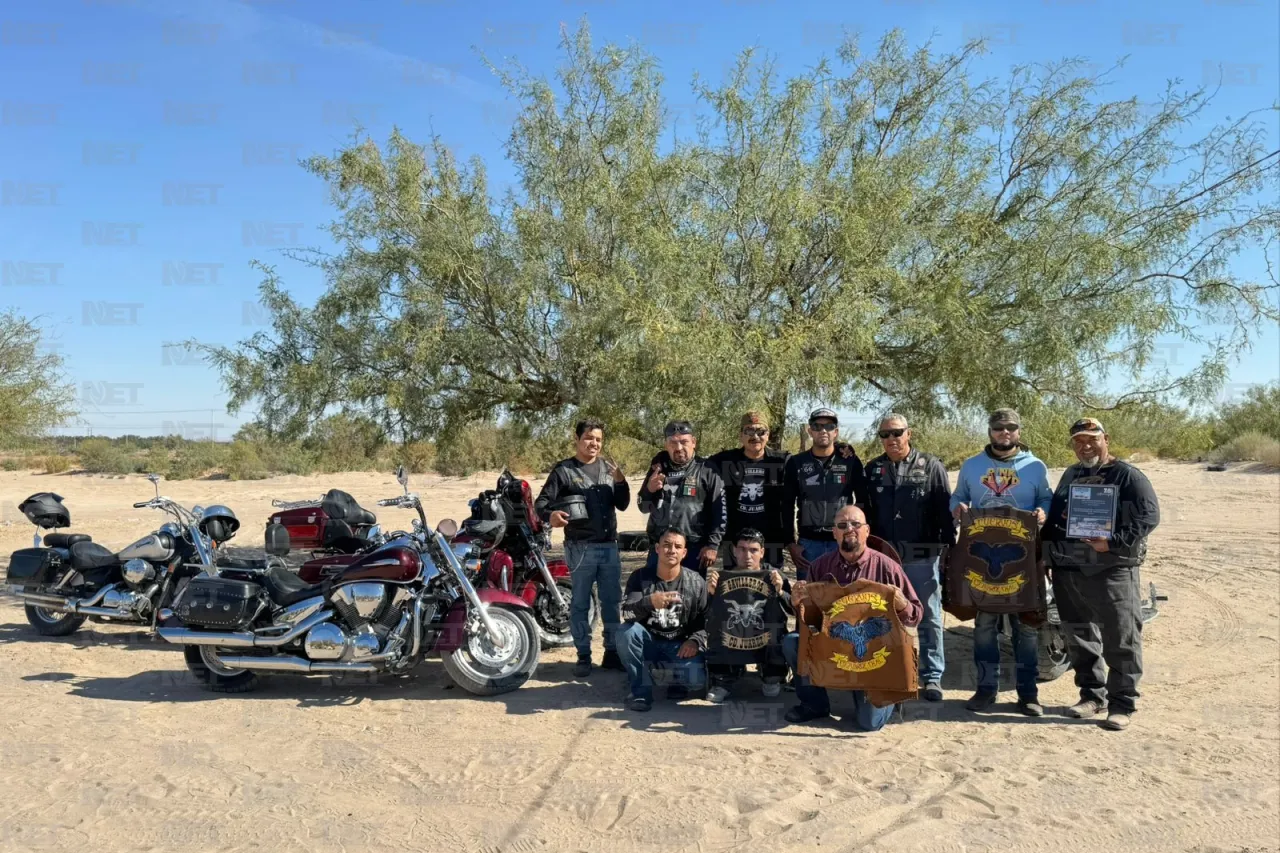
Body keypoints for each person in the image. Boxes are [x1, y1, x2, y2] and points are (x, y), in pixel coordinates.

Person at [1042, 417, 1160, 731]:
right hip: (1069, 569)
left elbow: (1149, 517)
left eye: (1091, 439)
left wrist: (1113, 542)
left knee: (1120, 638)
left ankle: (1122, 704)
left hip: (1112, 570)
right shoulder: (1071, 474)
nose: (1085, 446)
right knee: (1079, 636)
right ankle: (1092, 696)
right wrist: (1048, 556)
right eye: (1078, 441)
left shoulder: (1127, 475)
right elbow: (1055, 519)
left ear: (1105, 438)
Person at [781, 505, 923, 732]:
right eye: (842, 525)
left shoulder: (888, 567)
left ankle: (888, 695)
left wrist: (901, 602)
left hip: (874, 656)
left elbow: (916, 615)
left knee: (869, 724)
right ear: (834, 533)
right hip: (834, 647)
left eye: (856, 524)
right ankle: (814, 704)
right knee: (792, 642)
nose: (849, 529)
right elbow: (812, 623)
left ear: (867, 530)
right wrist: (799, 603)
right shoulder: (820, 566)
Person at [950, 408, 1053, 716]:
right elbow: (956, 498)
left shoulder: (1035, 466)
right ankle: (985, 690)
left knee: (1027, 627)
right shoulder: (972, 466)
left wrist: (1042, 512)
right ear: (990, 431)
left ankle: (1028, 694)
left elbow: (1046, 499)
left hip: (1023, 556)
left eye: (1010, 427)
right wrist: (959, 507)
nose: (1004, 432)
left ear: (1019, 431)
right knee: (984, 626)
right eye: (998, 427)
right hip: (982, 558)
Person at [864, 413, 955, 703]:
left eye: (897, 433)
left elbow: (945, 510)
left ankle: (931, 677)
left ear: (909, 433)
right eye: (885, 435)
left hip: (922, 555)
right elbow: (865, 513)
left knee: (927, 616)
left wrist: (946, 549)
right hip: (884, 558)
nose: (891, 439)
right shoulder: (873, 469)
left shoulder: (931, 465)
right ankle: (888, 669)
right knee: (883, 615)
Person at [534, 418, 631, 677]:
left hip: (609, 547)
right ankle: (584, 656)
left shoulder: (608, 469)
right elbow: (541, 504)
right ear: (577, 439)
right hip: (580, 549)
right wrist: (551, 516)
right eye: (589, 438)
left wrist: (621, 482)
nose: (594, 443)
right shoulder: (564, 470)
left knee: (612, 602)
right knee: (580, 604)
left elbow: (622, 504)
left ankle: (612, 653)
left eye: (598, 439)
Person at [616, 528, 709, 712]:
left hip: (679, 646)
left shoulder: (696, 582)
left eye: (677, 546)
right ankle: (641, 692)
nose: (671, 550)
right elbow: (626, 614)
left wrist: (695, 640)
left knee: (697, 681)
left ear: (684, 553)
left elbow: (708, 621)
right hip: (648, 643)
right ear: (657, 549)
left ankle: (674, 680)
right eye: (666, 545)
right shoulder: (640, 577)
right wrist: (648, 602)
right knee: (625, 633)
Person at [704, 528, 792, 703]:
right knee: (717, 627)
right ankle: (724, 679)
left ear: (762, 552)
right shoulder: (722, 576)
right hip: (734, 634)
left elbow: (794, 608)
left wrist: (781, 591)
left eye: (753, 550)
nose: (748, 555)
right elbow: (703, 612)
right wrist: (710, 593)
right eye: (742, 549)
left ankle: (771, 675)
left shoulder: (774, 575)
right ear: (734, 551)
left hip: (764, 635)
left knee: (776, 629)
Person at [783, 408, 871, 580]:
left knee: (844, 598)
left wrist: (861, 536)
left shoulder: (849, 461)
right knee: (809, 600)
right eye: (817, 426)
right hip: (808, 544)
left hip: (842, 541)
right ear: (810, 431)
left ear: (836, 432)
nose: (823, 430)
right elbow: (786, 504)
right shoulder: (796, 462)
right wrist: (791, 543)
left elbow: (863, 500)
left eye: (829, 426)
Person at [637, 420, 727, 578]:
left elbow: (720, 511)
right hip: (660, 547)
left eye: (684, 442)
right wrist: (649, 490)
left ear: (694, 442)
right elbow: (643, 507)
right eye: (673, 442)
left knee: (691, 597)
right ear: (666, 444)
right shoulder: (658, 468)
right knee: (656, 596)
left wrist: (712, 544)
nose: (678, 448)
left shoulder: (707, 470)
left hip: (694, 549)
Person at [706, 412, 791, 570]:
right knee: (734, 586)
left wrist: (841, 450)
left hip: (772, 540)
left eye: (761, 432)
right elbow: (695, 464)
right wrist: (662, 458)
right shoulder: (726, 460)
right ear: (741, 435)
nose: (755, 437)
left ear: (768, 435)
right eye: (749, 431)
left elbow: (809, 459)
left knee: (772, 586)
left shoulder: (781, 461)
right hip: (735, 541)